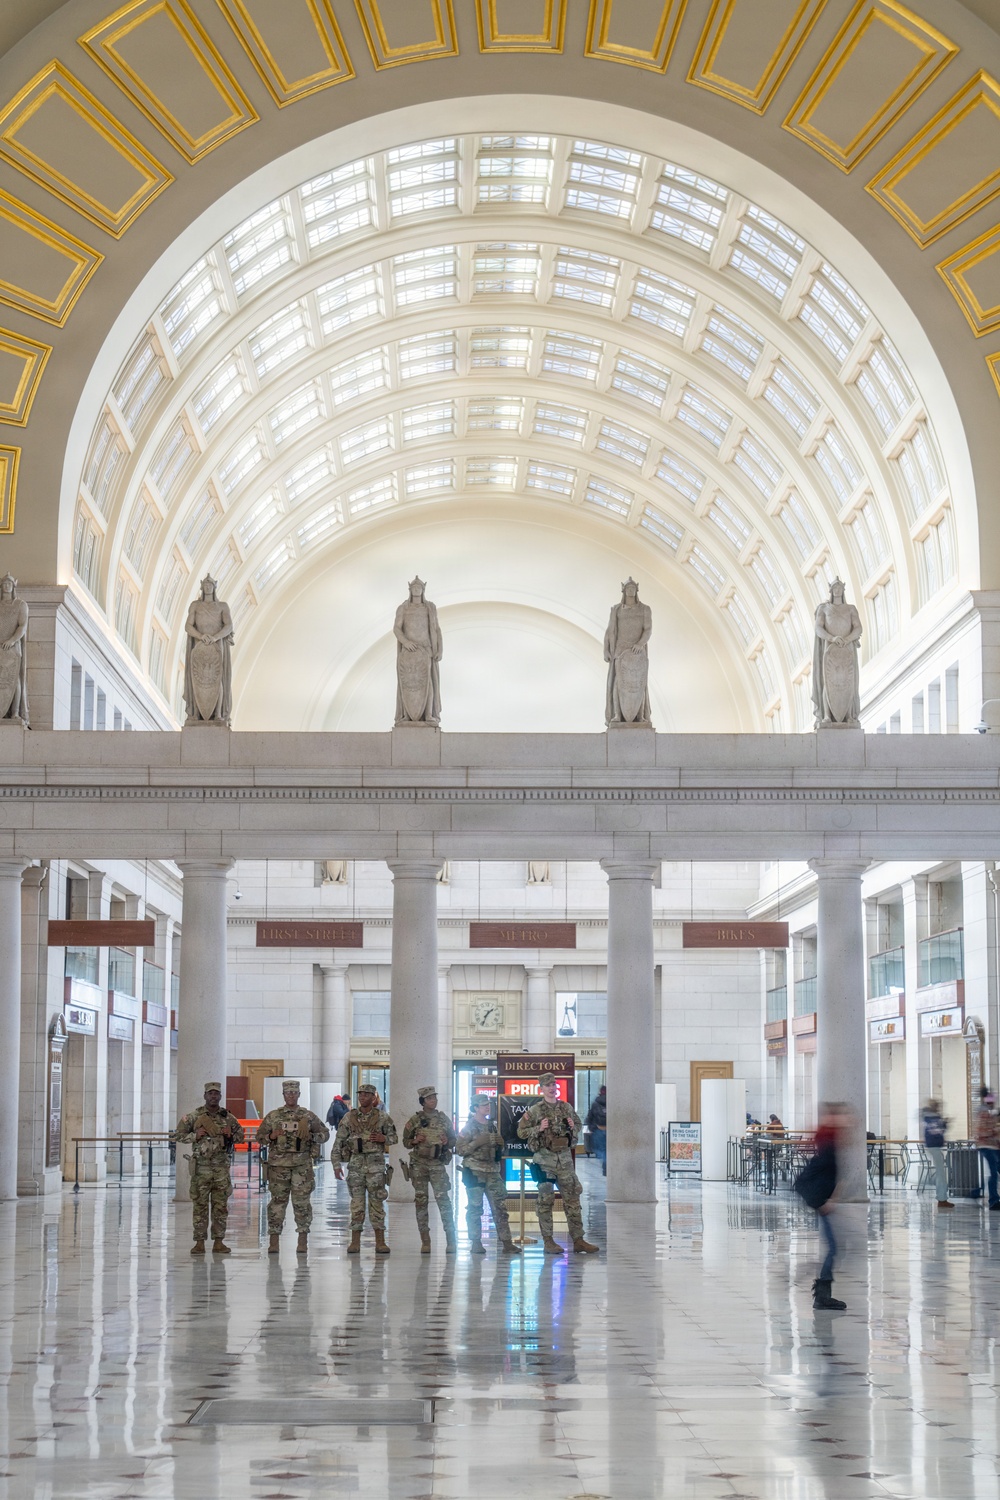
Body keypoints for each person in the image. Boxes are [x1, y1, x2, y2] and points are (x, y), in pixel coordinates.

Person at [517, 1072, 599, 1254]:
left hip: (565, 1163)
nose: (552, 1088)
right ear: (542, 1088)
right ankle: (548, 1241)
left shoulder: (566, 1107)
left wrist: (572, 1126)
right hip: (545, 1162)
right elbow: (521, 1132)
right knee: (545, 1202)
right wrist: (539, 1128)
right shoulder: (536, 1111)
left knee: (573, 1202)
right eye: (548, 1085)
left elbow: (578, 1125)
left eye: (554, 1084)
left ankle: (578, 1240)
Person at [258, 1080, 330, 1256]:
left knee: (302, 1203)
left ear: (299, 1094)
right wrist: (271, 1135)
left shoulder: (308, 1116)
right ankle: (274, 1241)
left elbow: (325, 1134)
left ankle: (302, 1240)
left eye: (294, 1092)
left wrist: (311, 1135)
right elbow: (260, 1137)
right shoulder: (273, 1116)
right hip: (278, 1168)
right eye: (288, 1093)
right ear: (284, 1095)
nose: (291, 1095)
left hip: (301, 1167)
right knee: (277, 1203)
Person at [174, 1082, 244, 1255]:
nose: (213, 1096)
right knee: (200, 1207)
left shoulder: (228, 1117)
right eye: (210, 1093)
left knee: (221, 1207)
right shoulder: (194, 1116)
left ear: (220, 1096)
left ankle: (219, 1242)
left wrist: (231, 1134)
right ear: (205, 1095)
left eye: (216, 1094)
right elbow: (177, 1135)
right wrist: (194, 1135)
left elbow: (241, 1137)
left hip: (221, 1169)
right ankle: (199, 1243)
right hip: (201, 1169)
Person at [794, 1102, 849, 1310]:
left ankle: (822, 1291)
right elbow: (822, 1172)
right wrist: (828, 1200)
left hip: (823, 1200)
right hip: (821, 1201)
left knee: (835, 1248)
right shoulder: (828, 1142)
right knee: (834, 1248)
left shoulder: (829, 1138)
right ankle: (822, 1295)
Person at [331, 1082, 397, 1253]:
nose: (362, 1097)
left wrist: (384, 1139)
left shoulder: (383, 1117)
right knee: (357, 1204)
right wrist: (336, 1165)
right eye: (360, 1094)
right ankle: (355, 1241)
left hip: (375, 1167)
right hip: (356, 1166)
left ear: (374, 1097)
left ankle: (380, 1241)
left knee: (377, 1204)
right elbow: (338, 1142)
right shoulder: (349, 1117)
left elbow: (394, 1137)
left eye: (366, 1094)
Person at [456, 1094, 521, 1255]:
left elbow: (500, 1148)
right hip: (475, 1172)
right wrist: (477, 1143)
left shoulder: (492, 1126)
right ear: (476, 1108)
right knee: (475, 1208)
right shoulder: (469, 1127)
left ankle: (507, 1242)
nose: (487, 1107)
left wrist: (500, 1144)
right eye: (483, 1105)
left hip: (492, 1171)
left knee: (500, 1208)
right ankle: (476, 1242)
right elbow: (460, 1150)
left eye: (488, 1104)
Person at [402, 1086, 458, 1253]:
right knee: (421, 1201)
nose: (433, 1100)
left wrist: (447, 1141)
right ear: (423, 1102)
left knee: (444, 1201)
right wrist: (414, 1140)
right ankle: (425, 1241)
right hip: (419, 1164)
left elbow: (454, 1140)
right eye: (429, 1098)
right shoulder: (415, 1120)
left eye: (434, 1097)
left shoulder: (443, 1119)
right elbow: (405, 1142)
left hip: (437, 1164)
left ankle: (451, 1239)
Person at [921, 1098, 953, 1209]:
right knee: (941, 1174)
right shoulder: (931, 1117)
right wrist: (944, 1123)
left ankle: (942, 1196)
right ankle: (942, 1198)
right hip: (934, 1146)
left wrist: (944, 1123)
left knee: (941, 1173)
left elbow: (940, 1129)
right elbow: (937, 1130)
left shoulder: (930, 1117)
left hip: (935, 1146)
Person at [975, 1087, 1000, 1210]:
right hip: (987, 1146)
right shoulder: (985, 1113)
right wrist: (995, 1131)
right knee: (994, 1173)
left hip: (992, 1146)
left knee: (995, 1171)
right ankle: (993, 1201)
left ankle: (977, 1191)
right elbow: (985, 1131)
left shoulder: (988, 1112)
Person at [585, 1085, 607, 1175]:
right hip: (611, 1130)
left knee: (600, 1150)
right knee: (608, 1150)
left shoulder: (595, 1103)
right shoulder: (614, 1102)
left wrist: (591, 1128)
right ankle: (607, 1164)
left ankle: (605, 1162)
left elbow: (589, 1117)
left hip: (598, 1129)